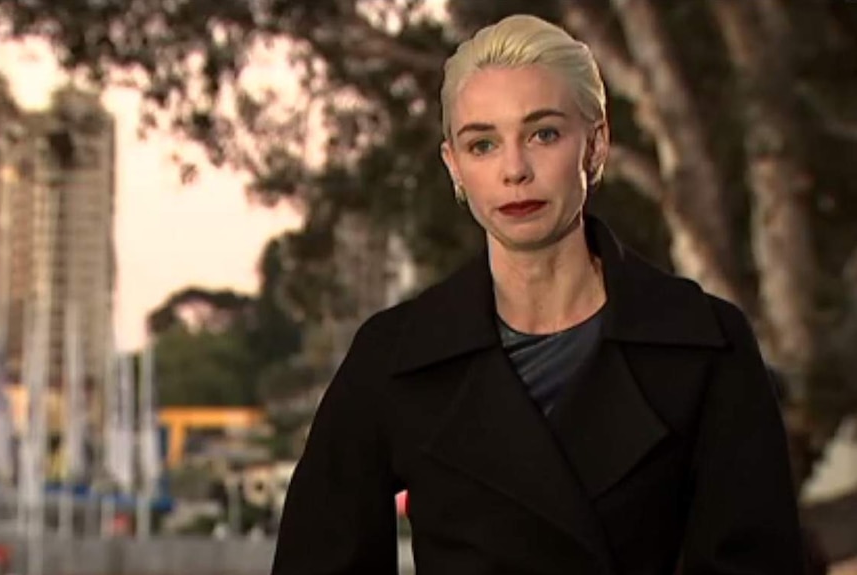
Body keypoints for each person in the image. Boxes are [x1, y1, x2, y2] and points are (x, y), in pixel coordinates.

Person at [271, 14, 804, 574]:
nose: (514, 170)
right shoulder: (394, 358)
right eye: (483, 144)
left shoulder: (707, 344)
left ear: (595, 145)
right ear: (454, 165)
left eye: (543, 133)